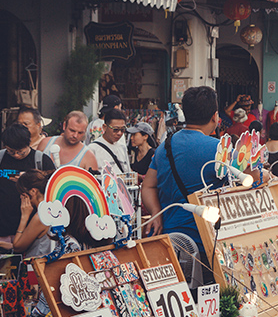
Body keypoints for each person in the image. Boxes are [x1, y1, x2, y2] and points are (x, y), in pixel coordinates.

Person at [142, 86, 224, 283]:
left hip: (170, 243)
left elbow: (148, 186)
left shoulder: (165, 147)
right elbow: (252, 177)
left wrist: (156, 213)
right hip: (208, 246)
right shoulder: (219, 150)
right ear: (215, 117)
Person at [0, 124, 56, 244]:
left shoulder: (41, 160)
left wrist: (29, 178)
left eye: (21, 152)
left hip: (30, 230)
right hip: (0, 227)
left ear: (29, 143)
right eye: (11, 152)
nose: (16, 155)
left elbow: (53, 190)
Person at [0, 170, 54, 258]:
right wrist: (0, 244)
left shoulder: (40, 217)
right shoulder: (50, 210)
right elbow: (28, 243)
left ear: (33, 191)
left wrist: (24, 216)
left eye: (22, 193)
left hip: (38, 262)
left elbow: (18, 247)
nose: (20, 197)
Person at [88, 109, 132, 175]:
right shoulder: (92, 149)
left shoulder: (122, 147)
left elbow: (127, 171)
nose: (119, 133)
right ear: (104, 127)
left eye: (122, 129)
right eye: (115, 129)